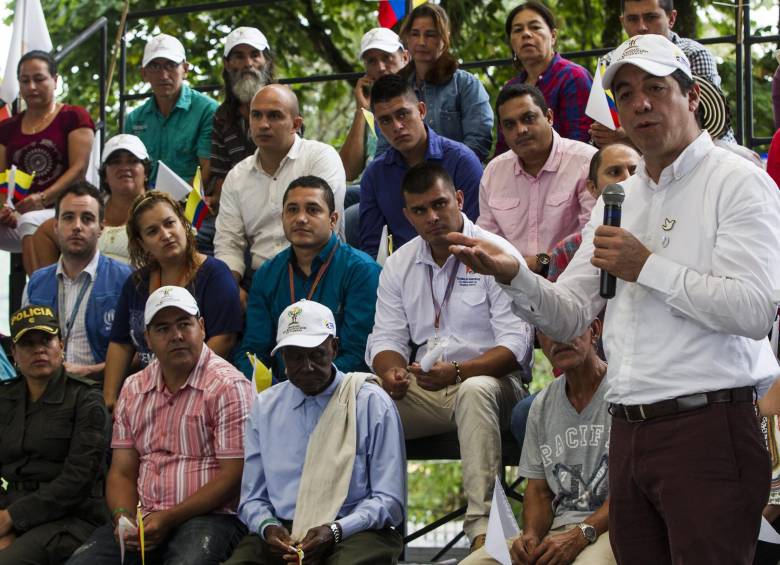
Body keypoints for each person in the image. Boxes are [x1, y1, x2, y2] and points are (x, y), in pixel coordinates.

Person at [448, 34, 780, 563]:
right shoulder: (621, 198)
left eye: (655, 87)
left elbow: (753, 310)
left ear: (692, 96)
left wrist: (647, 267)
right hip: (626, 431)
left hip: (708, 428)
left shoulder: (739, 182)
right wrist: (513, 274)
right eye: (624, 93)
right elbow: (573, 311)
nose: (639, 102)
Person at [366, 162, 534, 552]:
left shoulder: (496, 252)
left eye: (440, 204)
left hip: (495, 386)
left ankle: (485, 536)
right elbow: (385, 337)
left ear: (459, 199)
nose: (433, 217)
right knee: (360, 396)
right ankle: (363, 531)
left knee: (474, 391)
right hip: (428, 388)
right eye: (420, 211)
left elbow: (515, 347)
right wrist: (391, 372)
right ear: (408, 215)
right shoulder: (400, 263)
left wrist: (458, 371)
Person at [67, 286, 252, 565]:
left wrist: (169, 518)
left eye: (184, 324)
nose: (176, 335)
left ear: (201, 327)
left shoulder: (229, 386)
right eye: (163, 328)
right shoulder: (133, 387)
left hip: (213, 517)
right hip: (147, 515)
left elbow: (233, 476)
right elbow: (122, 471)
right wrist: (122, 517)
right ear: (148, 340)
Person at [225, 300, 405, 565]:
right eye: (295, 356)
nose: (307, 366)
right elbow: (252, 499)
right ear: (281, 356)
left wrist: (335, 531)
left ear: (334, 347)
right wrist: (268, 527)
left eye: (316, 354)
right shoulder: (265, 407)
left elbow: (390, 501)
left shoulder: (370, 403)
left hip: (355, 530)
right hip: (284, 529)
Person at [463, 319, 615, 565]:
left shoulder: (622, 395)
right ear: (539, 340)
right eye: (548, 330)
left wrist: (580, 535)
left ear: (594, 330)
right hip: (558, 530)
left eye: (567, 325)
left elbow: (632, 494)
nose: (559, 338)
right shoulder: (541, 406)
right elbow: (539, 491)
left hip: (611, 530)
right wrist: (531, 534)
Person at [103, 191, 242, 411]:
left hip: (206, 390)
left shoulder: (215, 274)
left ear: (183, 223)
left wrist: (172, 383)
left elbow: (224, 339)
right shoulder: (136, 283)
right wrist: (109, 398)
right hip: (150, 393)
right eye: (152, 231)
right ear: (142, 243)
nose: (165, 234)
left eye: (170, 223)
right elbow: (120, 343)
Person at [235, 175, 380, 380]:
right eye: (292, 210)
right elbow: (252, 351)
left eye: (312, 210)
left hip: (341, 391)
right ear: (282, 218)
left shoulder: (361, 271)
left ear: (333, 220)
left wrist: (304, 386)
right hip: (278, 391)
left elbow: (359, 354)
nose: (301, 218)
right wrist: (274, 392)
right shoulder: (267, 274)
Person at [0, 305, 109, 564]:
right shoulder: (5, 398)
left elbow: (77, 480)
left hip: (73, 517)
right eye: (27, 343)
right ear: (14, 353)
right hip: (13, 509)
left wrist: (11, 518)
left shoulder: (87, 399)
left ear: (60, 344)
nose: (39, 349)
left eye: (46, 340)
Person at [214, 84, 346, 297]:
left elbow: (323, 228)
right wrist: (231, 291)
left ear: (296, 124)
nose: (263, 124)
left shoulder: (320, 157)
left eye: (274, 116)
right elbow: (228, 243)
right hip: (259, 280)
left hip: (319, 273)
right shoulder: (237, 175)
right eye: (256, 115)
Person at [359, 74, 482, 258]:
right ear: (377, 125)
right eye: (385, 120)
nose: (397, 126)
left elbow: (478, 233)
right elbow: (372, 248)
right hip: (405, 274)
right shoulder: (375, 175)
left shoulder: (461, 160)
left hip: (465, 265)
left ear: (421, 110)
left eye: (403, 114)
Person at [478, 83, 596, 274]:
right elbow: (488, 239)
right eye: (510, 125)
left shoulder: (586, 162)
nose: (521, 130)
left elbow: (593, 235)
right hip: (511, 285)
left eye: (528, 118)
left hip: (573, 280)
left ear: (549, 117)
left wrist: (543, 261)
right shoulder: (494, 172)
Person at [23, 181, 132, 379]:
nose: (77, 227)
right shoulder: (36, 283)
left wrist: (89, 371)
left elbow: (141, 354)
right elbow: (25, 347)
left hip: (102, 393)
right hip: (49, 394)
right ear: (56, 226)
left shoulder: (125, 279)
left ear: (101, 228)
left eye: (87, 218)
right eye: (68, 218)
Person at [0, 50, 95, 273]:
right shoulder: (6, 128)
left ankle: (41, 303)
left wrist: (42, 198)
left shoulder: (74, 116)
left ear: (55, 80)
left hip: (65, 210)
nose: (31, 86)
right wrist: (4, 207)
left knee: (30, 220)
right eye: (25, 81)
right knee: (25, 220)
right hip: (17, 215)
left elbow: (79, 169)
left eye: (39, 78)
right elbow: (1, 176)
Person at [589, 0, 734, 146]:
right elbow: (599, 131)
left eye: (650, 17)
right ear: (622, 21)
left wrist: (628, 135)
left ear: (671, 18)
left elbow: (709, 125)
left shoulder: (694, 54)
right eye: (632, 19)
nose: (641, 27)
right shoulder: (608, 62)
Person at [27, 134, 150, 272]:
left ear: (145, 172)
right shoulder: (91, 206)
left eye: (133, 161)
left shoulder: (158, 210)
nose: (124, 167)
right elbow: (44, 232)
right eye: (115, 162)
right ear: (105, 175)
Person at [395, 3, 493, 162]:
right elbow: (385, 148)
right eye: (415, 34)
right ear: (407, 38)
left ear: (445, 38)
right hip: (407, 179)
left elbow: (478, 142)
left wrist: (446, 174)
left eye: (430, 34)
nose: (421, 42)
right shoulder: (398, 87)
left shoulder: (465, 84)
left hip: (457, 178)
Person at [494, 1, 594, 155]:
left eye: (535, 27)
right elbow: (503, 148)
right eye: (518, 30)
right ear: (511, 43)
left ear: (553, 36)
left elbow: (580, 144)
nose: (526, 34)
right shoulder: (510, 88)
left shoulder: (573, 76)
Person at [124, 34, 218, 183]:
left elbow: (208, 167)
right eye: (155, 66)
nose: (163, 75)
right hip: (145, 201)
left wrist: (177, 202)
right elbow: (128, 168)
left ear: (185, 69)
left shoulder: (207, 110)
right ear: (144, 73)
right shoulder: (134, 118)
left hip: (190, 201)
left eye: (171, 65)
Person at [547, 143, 640, 282]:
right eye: (614, 172)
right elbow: (558, 301)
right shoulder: (569, 249)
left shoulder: (661, 236)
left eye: (635, 171)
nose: (627, 179)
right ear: (592, 188)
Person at [210, 26, 275, 207]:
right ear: (227, 64)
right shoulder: (222, 116)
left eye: (255, 55)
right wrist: (212, 201)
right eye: (239, 56)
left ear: (266, 61)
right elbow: (221, 175)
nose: (248, 63)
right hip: (236, 204)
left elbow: (290, 164)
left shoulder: (285, 106)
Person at [340, 28, 409, 182]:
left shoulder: (418, 102)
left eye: (387, 57)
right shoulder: (369, 110)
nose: (380, 67)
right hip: (365, 188)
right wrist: (362, 109)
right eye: (372, 61)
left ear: (405, 57)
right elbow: (348, 172)